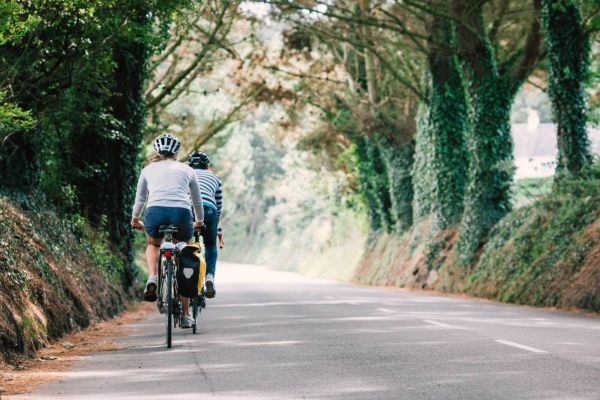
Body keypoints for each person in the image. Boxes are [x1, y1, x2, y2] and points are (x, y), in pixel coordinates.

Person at [131, 134, 204, 328]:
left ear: (157, 151)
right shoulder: (188, 170)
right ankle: (187, 314)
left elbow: (140, 198)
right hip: (181, 215)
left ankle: (152, 277)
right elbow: (196, 201)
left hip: (155, 213)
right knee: (186, 253)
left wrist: (135, 219)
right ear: (177, 151)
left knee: (153, 243)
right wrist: (199, 221)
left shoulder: (148, 169)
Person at [188, 150, 222, 298]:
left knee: (185, 242)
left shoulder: (185, 174)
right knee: (210, 245)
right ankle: (209, 276)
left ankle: (184, 273)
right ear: (207, 165)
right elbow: (219, 204)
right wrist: (216, 223)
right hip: (209, 210)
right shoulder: (215, 178)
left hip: (188, 208)